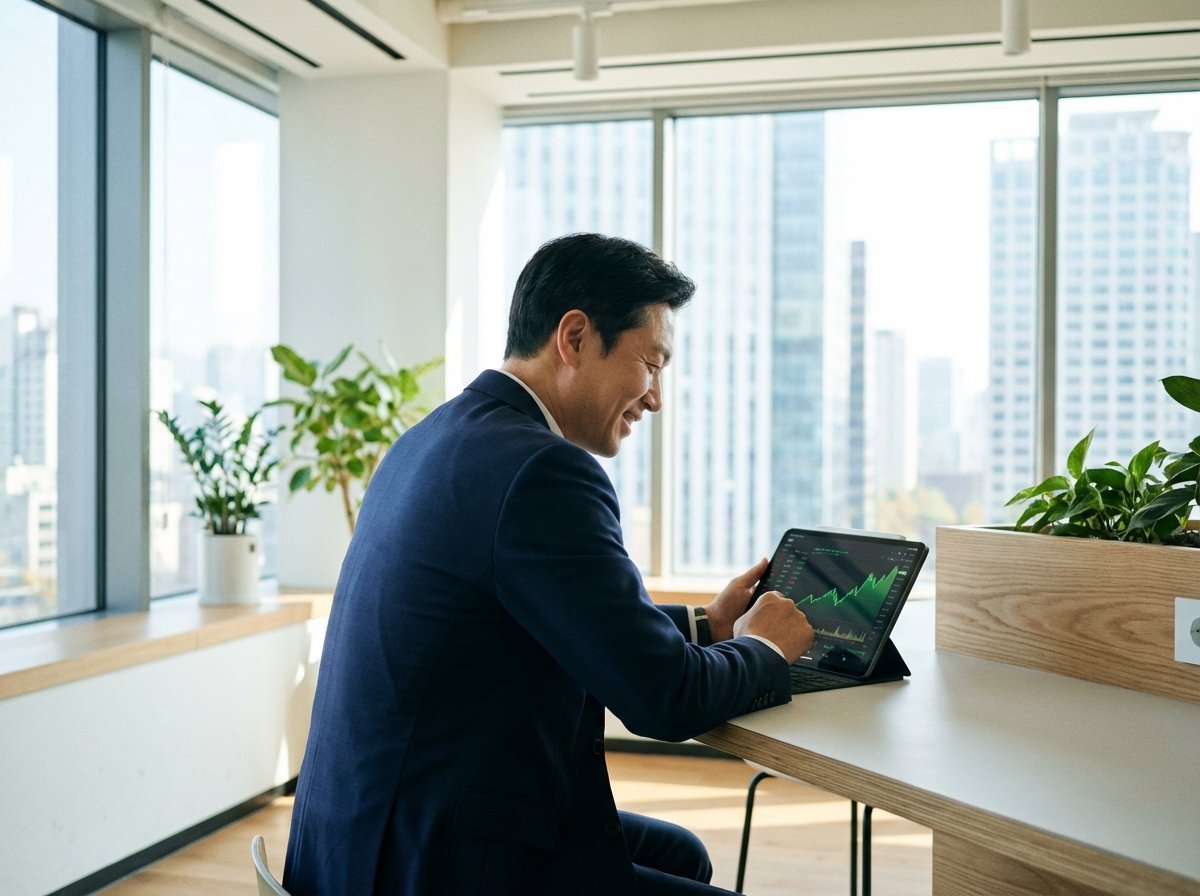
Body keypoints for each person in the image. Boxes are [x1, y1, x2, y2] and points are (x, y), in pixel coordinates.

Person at [282, 233, 815, 895]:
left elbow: (550, 616)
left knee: (678, 854)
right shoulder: (544, 471)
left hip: (355, 837)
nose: (655, 398)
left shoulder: (434, 438)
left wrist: (708, 626)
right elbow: (666, 700)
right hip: (429, 863)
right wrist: (767, 647)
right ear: (575, 337)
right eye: (652, 364)